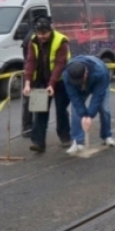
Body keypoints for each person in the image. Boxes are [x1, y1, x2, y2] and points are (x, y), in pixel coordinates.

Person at [23, 16, 72, 153]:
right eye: (39, 33)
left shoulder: (61, 41)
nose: (41, 36)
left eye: (44, 33)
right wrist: (27, 83)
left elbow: (59, 64)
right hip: (41, 81)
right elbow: (30, 61)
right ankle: (38, 142)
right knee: (39, 111)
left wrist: (52, 84)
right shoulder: (33, 41)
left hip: (61, 81)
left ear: (50, 30)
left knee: (61, 110)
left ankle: (65, 137)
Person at [63, 56, 114, 154]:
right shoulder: (67, 75)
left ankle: (106, 135)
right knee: (75, 110)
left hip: (99, 83)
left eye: (80, 79)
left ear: (86, 73)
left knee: (104, 109)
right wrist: (83, 115)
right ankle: (77, 141)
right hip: (79, 89)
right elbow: (74, 97)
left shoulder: (99, 72)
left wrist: (90, 115)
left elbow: (98, 96)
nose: (78, 81)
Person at [20, 28, 35, 138]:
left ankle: (27, 127)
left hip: (31, 74)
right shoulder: (33, 39)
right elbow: (29, 60)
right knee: (32, 101)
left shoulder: (30, 35)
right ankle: (28, 127)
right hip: (34, 75)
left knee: (29, 102)